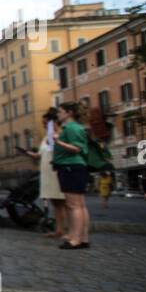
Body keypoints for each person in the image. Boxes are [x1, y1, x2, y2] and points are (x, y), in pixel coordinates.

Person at [19, 108, 67, 239]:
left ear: (54, 122)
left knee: (64, 203)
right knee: (55, 203)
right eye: (43, 123)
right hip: (46, 173)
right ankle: (59, 230)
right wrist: (27, 153)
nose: (44, 125)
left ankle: (70, 231)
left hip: (57, 172)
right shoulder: (46, 137)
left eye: (46, 123)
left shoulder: (61, 134)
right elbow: (39, 155)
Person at [52, 101, 91, 250]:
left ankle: (76, 239)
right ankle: (82, 237)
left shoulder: (72, 128)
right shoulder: (72, 127)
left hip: (70, 166)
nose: (58, 114)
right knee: (79, 205)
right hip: (74, 166)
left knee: (73, 205)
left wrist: (58, 141)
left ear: (69, 113)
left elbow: (77, 148)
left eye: (60, 111)